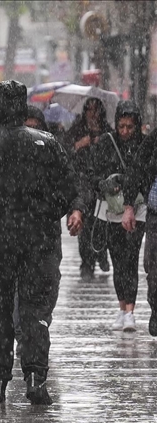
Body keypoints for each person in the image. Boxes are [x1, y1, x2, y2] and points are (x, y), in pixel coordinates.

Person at [0, 80, 84, 405]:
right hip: (38, 243)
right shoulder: (47, 143)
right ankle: (36, 376)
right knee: (35, 311)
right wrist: (50, 212)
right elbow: (69, 190)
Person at [87, 101, 147, 332]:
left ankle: (130, 310)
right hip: (111, 211)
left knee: (130, 259)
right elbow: (93, 173)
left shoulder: (144, 145)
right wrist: (105, 183)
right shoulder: (106, 143)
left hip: (137, 210)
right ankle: (122, 308)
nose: (125, 132)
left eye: (130, 127)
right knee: (117, 261)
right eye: (121, 126)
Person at [66, 97, 113, 280]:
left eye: (96, 110)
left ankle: (101, 253)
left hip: (101, 186)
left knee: (101, 224)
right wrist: (79, 145)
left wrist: (100, 144)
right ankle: (87, 263)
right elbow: (65, 153)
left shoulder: (108, 133)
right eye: (89, 110)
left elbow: (113, 157)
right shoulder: (76, 131)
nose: (93, 114)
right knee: (83, 228)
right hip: (80, 185)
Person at [121, 129, 157, 336]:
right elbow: (136, 168)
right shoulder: (153, 139)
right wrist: (128, 206)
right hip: (154, 215)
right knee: (153, 269)